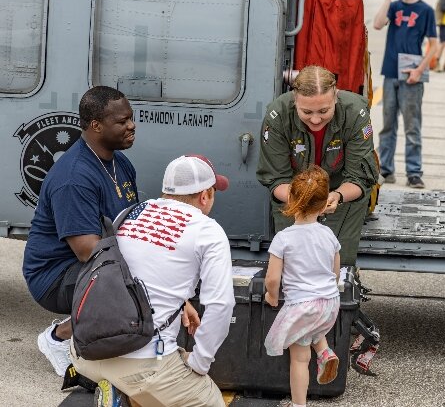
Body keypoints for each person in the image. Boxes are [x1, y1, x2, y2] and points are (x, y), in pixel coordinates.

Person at [71, 154, 235, 407]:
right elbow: (221, 305)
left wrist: (183, 302)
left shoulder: (130, 213)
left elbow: (133, 273)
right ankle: (125, 393)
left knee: (149, 389)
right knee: (208, 400)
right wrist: (200, 362)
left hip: (86, 351)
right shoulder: (207, 231)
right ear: (205, 195)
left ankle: (119, 393)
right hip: (142, 363)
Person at [23, 86, 138, 377]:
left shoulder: (120, 162)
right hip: (54, 275)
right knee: (135, 283)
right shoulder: (74, 177)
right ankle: (58, 337)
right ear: (96, 125)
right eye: (122, 121)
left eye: (131, 118)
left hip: (91, 264)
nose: (131, 125)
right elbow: (88, 250)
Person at [256, 65, 378, 267]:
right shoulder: (278, 115)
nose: (315, 119)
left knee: (337, 266)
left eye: (324, 110)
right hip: (294, 199)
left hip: (342, 199)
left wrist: (335, 197)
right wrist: (304, 201)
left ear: (336, 97)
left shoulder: (356, 113)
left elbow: (360, 178)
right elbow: (276, 179)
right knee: (294, 265)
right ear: (294, 100)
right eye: (306, 111)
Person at [264, 165, 342, 407]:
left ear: (291, 199)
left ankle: (299, 405)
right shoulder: (328, 234)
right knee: (313, 326)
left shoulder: (284, 238)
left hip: (302, 305)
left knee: (299, 358)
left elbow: (273, 279)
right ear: (323, 206)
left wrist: (271, 296)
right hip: (330, 302)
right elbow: (335, 271)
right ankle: (325, 352)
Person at [373, 0, 438, 189]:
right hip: (390, 72)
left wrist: (420, 70)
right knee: (387, 126)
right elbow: (378, 24)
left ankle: (414, 172)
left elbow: (434, 45)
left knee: (412, 126)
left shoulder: (426, 10)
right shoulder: (394, 6)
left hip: (412, 74)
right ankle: (386, 169)